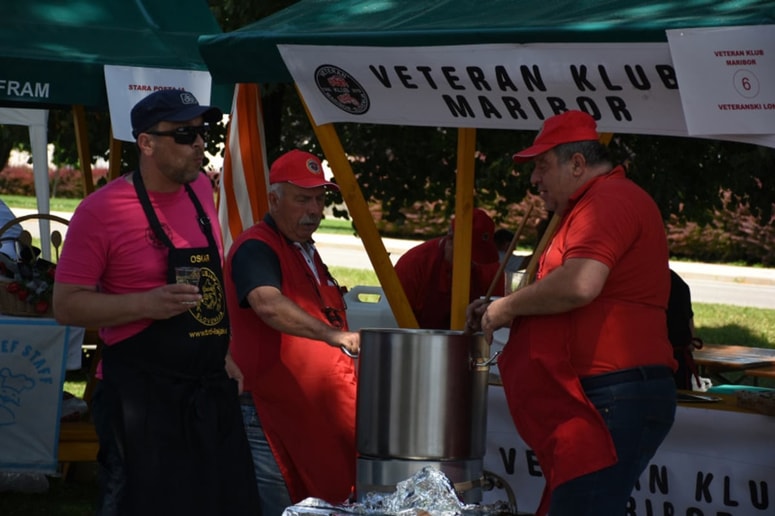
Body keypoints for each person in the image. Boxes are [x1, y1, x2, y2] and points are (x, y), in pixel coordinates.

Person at [53, 89, 259, 516]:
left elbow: (210, 276)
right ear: (146, 143)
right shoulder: (101, 211)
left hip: (206, 387)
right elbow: (66, 306)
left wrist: (222, 350)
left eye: (203, 132)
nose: (200, 143)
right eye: (185, 134)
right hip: (140, 395)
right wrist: (146, 303)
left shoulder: (201, 188)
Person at [466, 110, 677, 516]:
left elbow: (580, 284)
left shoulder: (608, 200)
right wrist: (508, 310)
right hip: (606, 394)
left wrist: (503, 309)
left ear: (577, 164)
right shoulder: (590, 205)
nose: (534, 180)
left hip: (611, 394)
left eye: (542, 166)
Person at [224, 149, 359, 514]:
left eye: (319, 198)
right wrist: (334, 336)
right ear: (274, 199)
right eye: (302, 199)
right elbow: (267, 303)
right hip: (270, 416)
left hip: (314, 416)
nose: (314, 209)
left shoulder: (306, 251)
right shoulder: (255, 247)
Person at [395, 207, 503, 329]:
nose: (474, 262)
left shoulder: (491, 268)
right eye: (469, 254)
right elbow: (394, 317)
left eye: (479, 256)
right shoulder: (414, 263)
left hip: (473, 343)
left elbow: (499, 314)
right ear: (450, 239)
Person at [667, 269, 704, 389]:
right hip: (679, 364)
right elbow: (691, 342)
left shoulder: (641, 279)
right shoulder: (677, 282)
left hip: (661, 365)